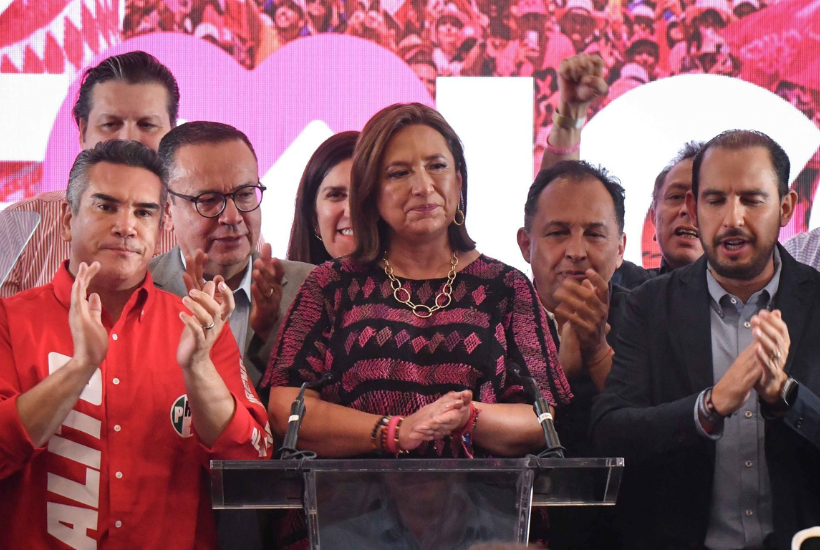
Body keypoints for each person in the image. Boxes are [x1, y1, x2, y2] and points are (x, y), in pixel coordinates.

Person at [263, 102, 571, 547]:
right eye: (399, 173)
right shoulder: (330, 286)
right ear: (369, 192)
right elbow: (285, 406)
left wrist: (465, 418)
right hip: (346, 525)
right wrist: (394, 431)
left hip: (485, 530)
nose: (424, 186)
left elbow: (540, 419)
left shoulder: (507, 288)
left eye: (437, 166)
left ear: (458, 182)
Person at [0, 140, 272, 548]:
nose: (126, 225)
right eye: (106, 206)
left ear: (160, 226)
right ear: (66, 219)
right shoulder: (10, 320)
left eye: (143, 212)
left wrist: (198, 370)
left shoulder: (197, 327)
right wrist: (79, 368)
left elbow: (250, 463)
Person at [591, 130, 820, 549]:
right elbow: (610, 433)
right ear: (694, 209)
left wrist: (786, 396)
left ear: (786, 207)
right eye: (715, 200)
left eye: (752, 199)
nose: (733, 219)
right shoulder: (649, 306)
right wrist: (707, 408)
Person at [149, 121, 314, 391]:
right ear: (167, 210)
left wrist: (270, 333)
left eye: (245, 194)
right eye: (208, 200)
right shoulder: (138, 290)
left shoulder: (310, 288)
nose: (232, 217)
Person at [1, 51, 180, 297]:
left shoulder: (208, 229)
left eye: (147, 125)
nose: (128, 139)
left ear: (172, 134)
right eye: (111, 124)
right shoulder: (17, 226)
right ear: (83, 130)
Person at [517, 160, 625, 549]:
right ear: (525, 244)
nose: (576, 252)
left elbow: (652, 435)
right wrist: (558, 370)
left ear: (620, 248)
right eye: (558, 233)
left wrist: (597, 351)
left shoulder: (651, 316)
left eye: (595, 234)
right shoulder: (491, 317)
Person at [287, 131, 359, 265]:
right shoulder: (281, 284)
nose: (351, 211)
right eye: (336, 195)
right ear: (313, 217)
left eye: (363, 193)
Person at [647, 140, 705, 275]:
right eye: (676, 197)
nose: (687, 210)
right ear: (654, 216)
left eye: (702, 199)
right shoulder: (627, 294)